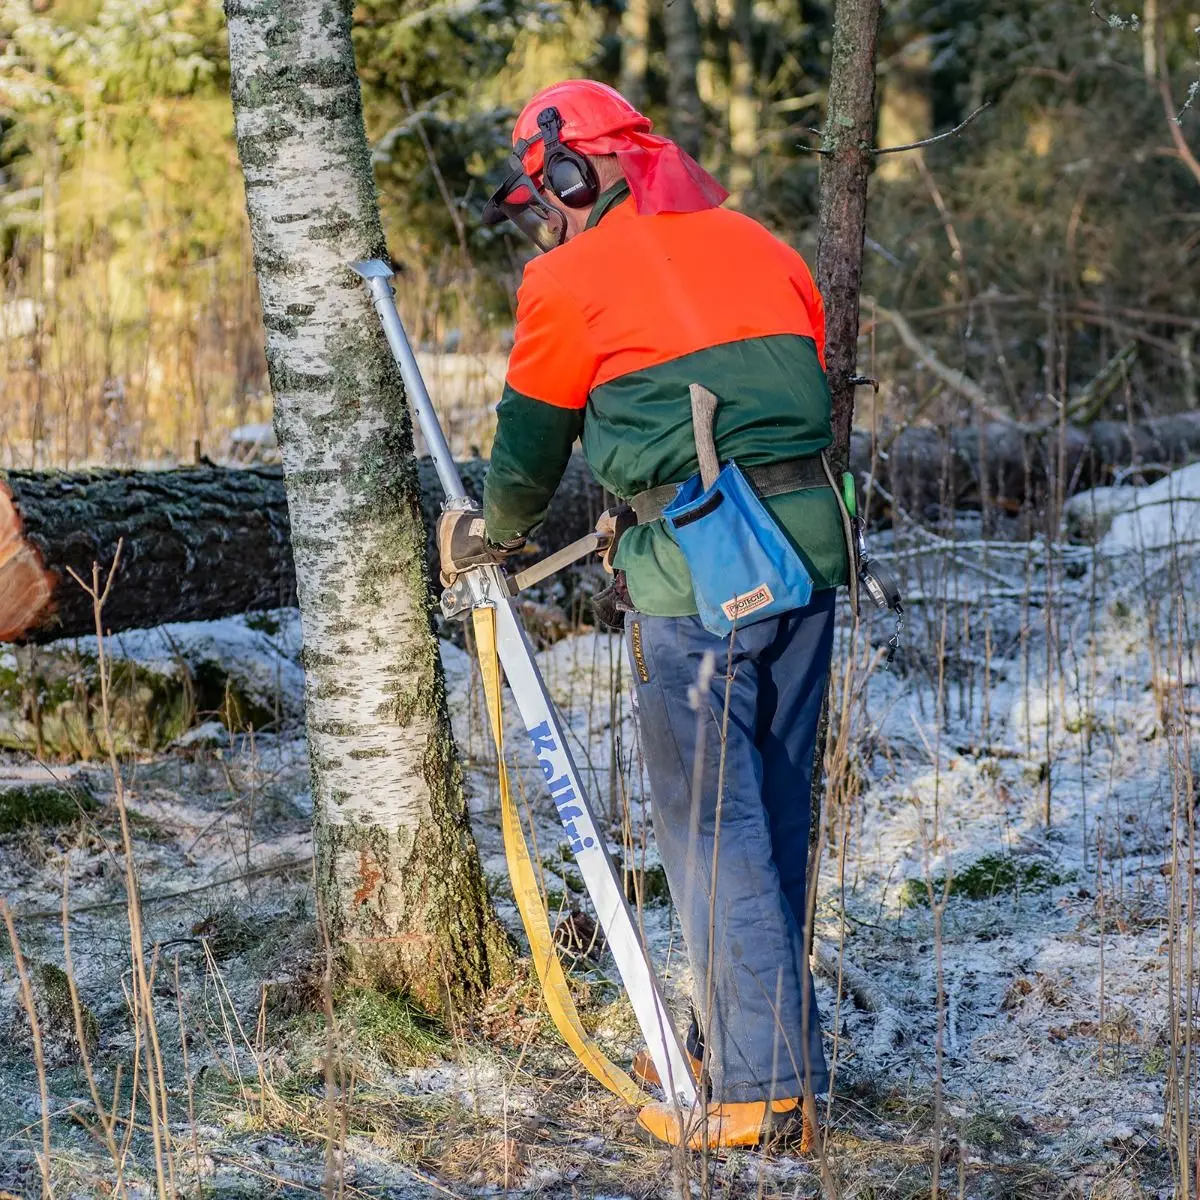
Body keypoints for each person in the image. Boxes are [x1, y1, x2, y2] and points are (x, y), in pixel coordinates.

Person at [436, 79, 851, 1151]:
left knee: (711, 822)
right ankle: (765, 1054)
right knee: (771, 800)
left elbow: (529, 445)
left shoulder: (569, 278)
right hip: (809, 546)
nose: (550, 216)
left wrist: (496, 532)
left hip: (701, 567)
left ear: (575, 172)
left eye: (549, 194)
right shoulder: (762, 243)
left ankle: (759, 1093)